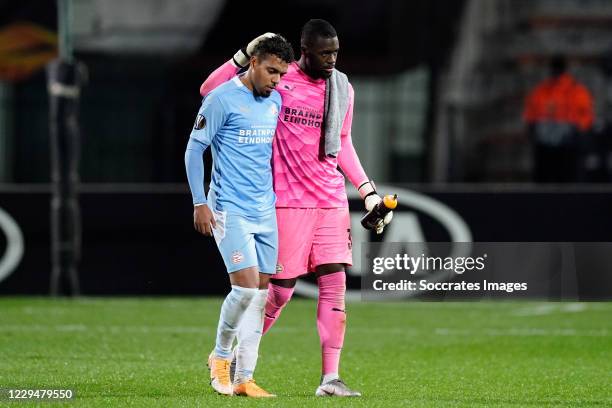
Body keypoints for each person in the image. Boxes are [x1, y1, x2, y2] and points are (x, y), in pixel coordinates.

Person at [200, 20, 393, 397]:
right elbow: (210, 91)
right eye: (324, 53)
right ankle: (232, 359)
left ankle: (330, 378)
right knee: (281, 292)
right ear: (304, 52)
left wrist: (367, 191)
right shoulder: (279, 82)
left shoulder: (342, 87)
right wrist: (242, 55)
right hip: (287, 201)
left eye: (336, 52)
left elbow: (343, 141)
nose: (332, 60)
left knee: (335, 283)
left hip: (330, 200)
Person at [185, 35, 293, 397]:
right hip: (229, 208)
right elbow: (193, 150)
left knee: (261, 295)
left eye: (281, 74)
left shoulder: (274, 100)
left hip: (265, 209)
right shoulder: (221, 99)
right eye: (271, 71)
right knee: (245, 288)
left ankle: (245, 376)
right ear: (254, 62)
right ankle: (219, 358)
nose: (276, 80)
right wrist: (200, 202)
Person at [523, 55, 595, 182]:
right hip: (546, 147)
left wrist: (576, 131)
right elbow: (531, 117)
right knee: (546, 179)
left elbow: (586, 117)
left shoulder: (576, 90)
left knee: (567, 179)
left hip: (569, 146)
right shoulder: (541, 91)